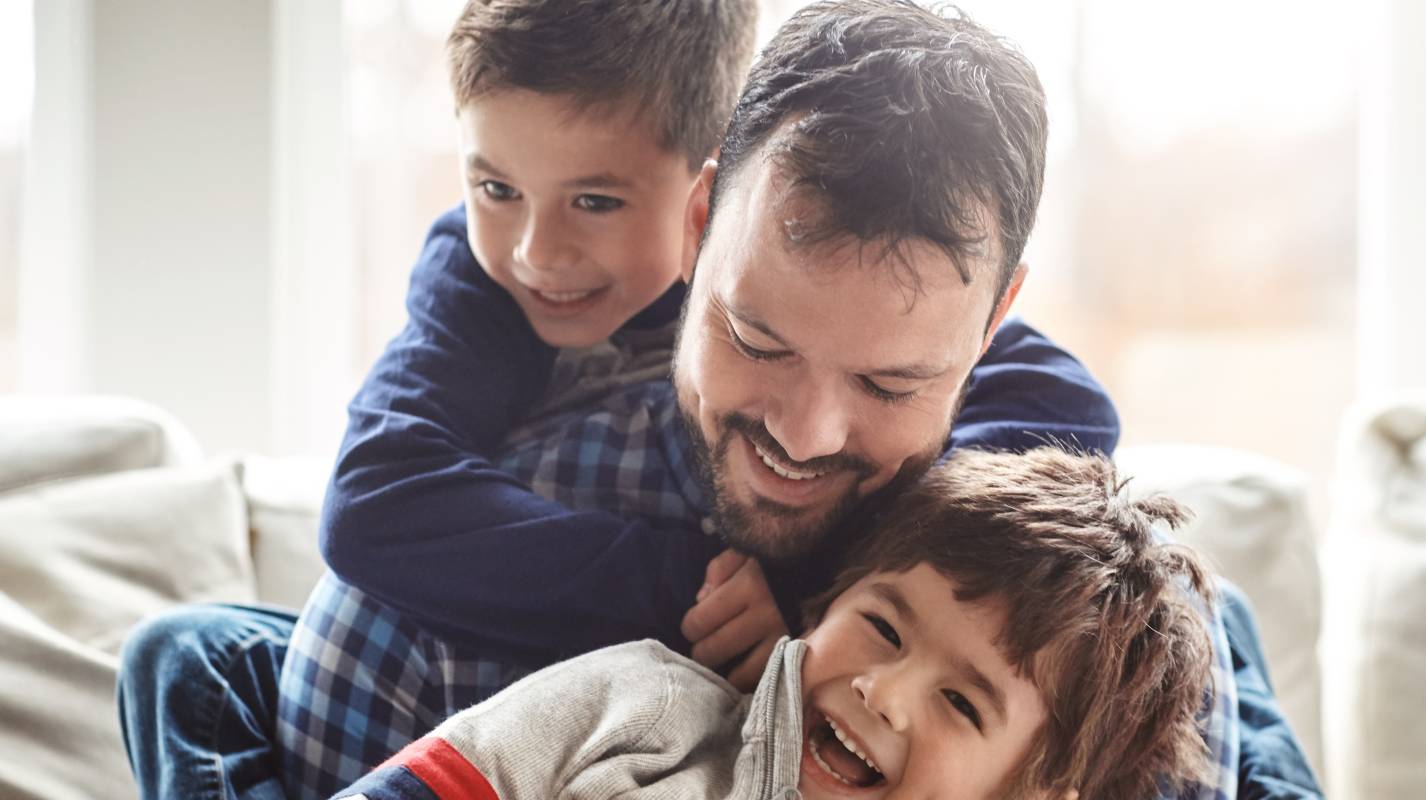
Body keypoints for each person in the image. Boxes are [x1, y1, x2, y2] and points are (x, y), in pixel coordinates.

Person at [117, 0, 1320, 797]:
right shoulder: (480, 336)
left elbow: (1068, 429)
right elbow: (380, 499)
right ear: (696, 223)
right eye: (757, 338)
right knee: (194, 651)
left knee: (1205, 625)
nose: (803, 430)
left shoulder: (1070, 666)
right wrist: (691, 583)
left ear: (994, 316)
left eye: (891, 381)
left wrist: (846, 576)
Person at [332, 449, 1222, 800]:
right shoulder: (642, 704)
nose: (883, 691)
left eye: (962, 703)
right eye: (883, 628)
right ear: (819, 606)